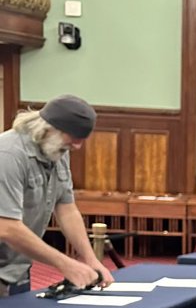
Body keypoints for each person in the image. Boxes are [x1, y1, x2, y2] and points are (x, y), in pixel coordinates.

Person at [0, 95, 113, 295]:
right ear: (48, 128)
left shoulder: (56, 149)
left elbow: (66, 208)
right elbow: (7, 227)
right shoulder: (8, 155)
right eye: (73, 138)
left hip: (16, 272)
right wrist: (65, 264)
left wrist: (91, 260)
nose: (77, 147)